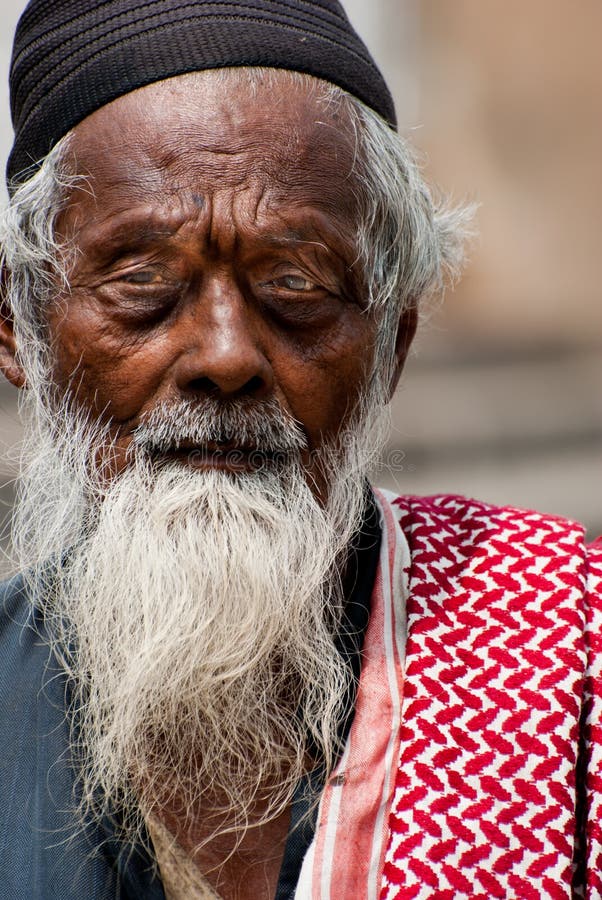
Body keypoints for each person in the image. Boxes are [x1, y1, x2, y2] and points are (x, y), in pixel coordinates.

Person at [0, 1, 600, 898]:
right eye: (144, 281)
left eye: (297, 282)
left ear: (392, 343)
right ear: (19, 329)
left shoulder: (566, 653)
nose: (228, 356)